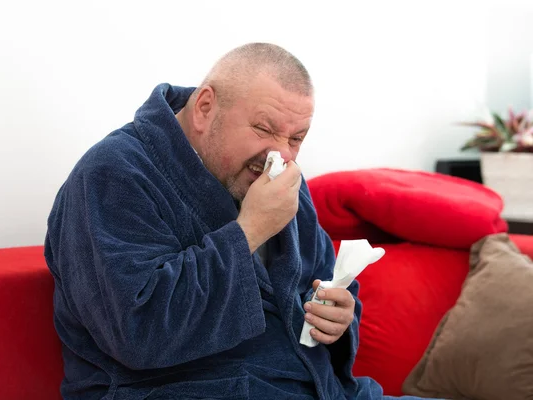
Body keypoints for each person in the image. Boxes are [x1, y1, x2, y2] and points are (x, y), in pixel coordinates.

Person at [44, 43, 433, 400]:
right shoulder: (114, 174)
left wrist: (338, 318)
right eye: (264, 129)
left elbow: (318, 285)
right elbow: (137, 332)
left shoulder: (281, 182)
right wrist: (248, 231)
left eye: (296, 138)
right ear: (205, 108)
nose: (279, 154)